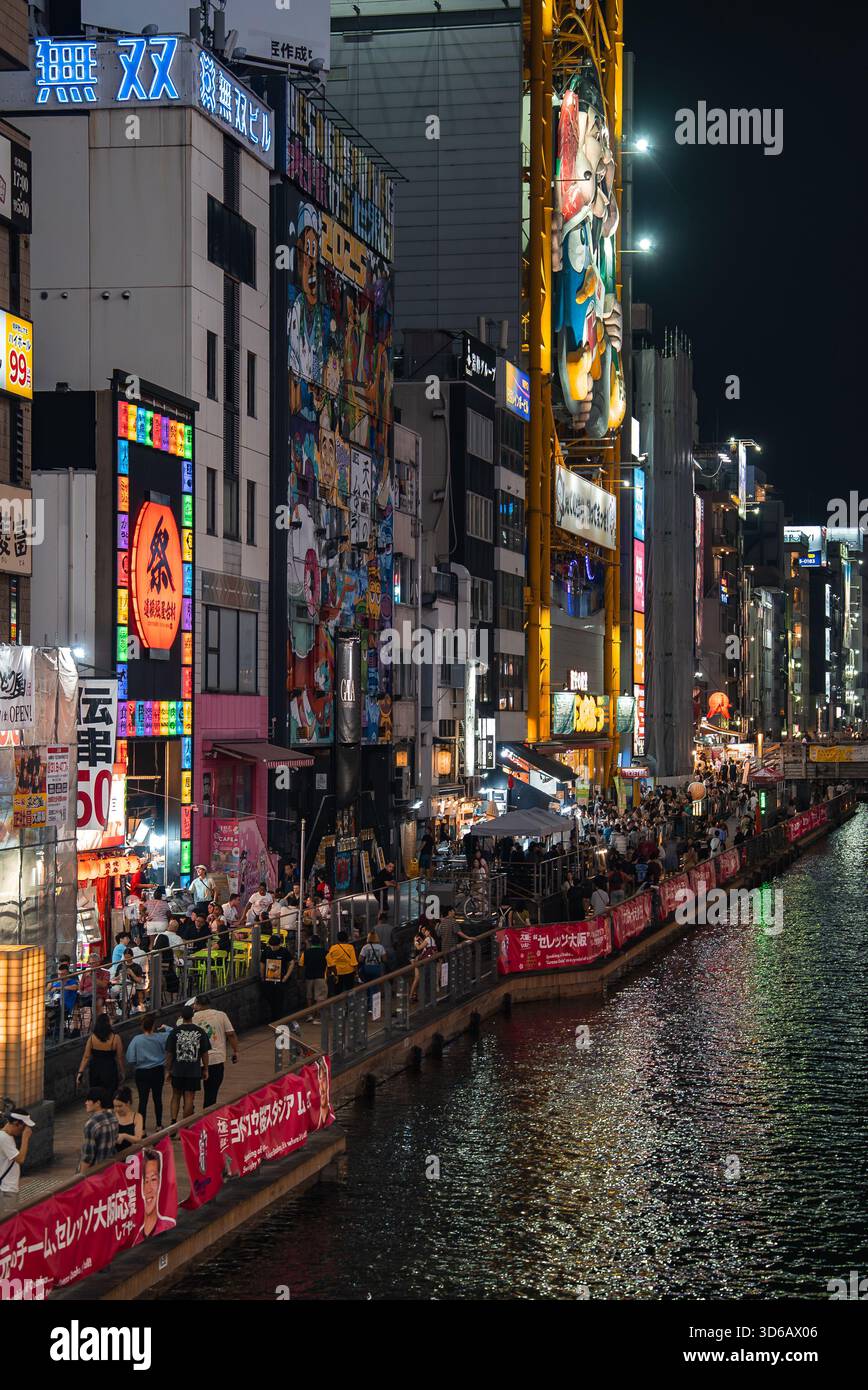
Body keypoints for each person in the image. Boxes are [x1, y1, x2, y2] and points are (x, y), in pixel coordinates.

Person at [126, 1014, 171, 1131]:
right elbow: (174, 1033)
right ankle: (159, 1124)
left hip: (141, 1072)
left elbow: (130, 1058)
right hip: (157, 1070)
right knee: (157, 1098)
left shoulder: (136, 1040)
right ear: (153, 1025)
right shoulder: (160, 1037)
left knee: (143, 1100)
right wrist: (166, 1027)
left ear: (142, 1026)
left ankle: (142, 1126)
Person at [165, 1004, 210, 1122]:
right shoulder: (200, 1032)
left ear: (181, 1016)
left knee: (176, 1095)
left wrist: (168, 1070)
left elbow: (169, 1053)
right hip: (193, 1070)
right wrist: (205, 1068)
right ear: (192, 1015)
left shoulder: (175, 1032)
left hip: (177, 1069)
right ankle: (184, 1124)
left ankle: (173, 1120)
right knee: (189, 1097)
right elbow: (205, 1052)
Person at [193, 995, 239, 1107]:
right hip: (216, 1059)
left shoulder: (192, 1017)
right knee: (211, 1093)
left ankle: (188, 1115)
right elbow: (231, 1034)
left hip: (196, 1060)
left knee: (190, 1094)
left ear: (197, 1004)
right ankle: (207, 1118)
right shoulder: (220, 1015)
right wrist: (236, 1051)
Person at [132, 1148, 177, 1244]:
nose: (148, 1189)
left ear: (161, 1181)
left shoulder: (169, 1226)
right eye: (145, 1181)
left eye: (153, 1179)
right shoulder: (133, 1238)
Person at [77, 1013, 123, 1094]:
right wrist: (122, 1071)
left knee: (96, 1095)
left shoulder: (92, 1038)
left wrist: (80, 1072)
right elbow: (119, 1058)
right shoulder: (116, 1038)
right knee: (110, 1095)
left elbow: (86, 1057)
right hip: (110, 1069)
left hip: (95, 1069)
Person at [0, 1107, 34, 1215]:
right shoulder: (3, 1138)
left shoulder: (7, 1137)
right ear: (16, 1123)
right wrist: (25, 1138)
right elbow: (20, 1159)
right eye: (24, 1127)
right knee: (8, 1225)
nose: (24, 1130)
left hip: (7, 1189)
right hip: (6, 1191)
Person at [80, 1089, 120, 1172]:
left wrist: (80, 1176)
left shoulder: (91, 1124)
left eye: (88, 1100)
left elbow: (88, 1157)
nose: (86, 1103)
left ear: (98, 1103)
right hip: (110, 1167)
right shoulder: (113, 1117)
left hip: (95, 1171)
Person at [260, 931, 295, 1020]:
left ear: (279, 944)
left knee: (279, 999)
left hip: (280, 979)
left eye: (275, 946)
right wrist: (262, 975)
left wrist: (286, 976)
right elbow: (262, 962)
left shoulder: (284, 951)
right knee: (269, 997)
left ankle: (278, 1017)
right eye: (271, 945)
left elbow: (291, 962)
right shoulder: (267, 950)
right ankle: (273, 1016)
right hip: (268, 979)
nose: (273, 947)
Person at [300, 931, 328, 1007]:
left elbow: (301, 965)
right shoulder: (325, 952)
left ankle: (310, 1014)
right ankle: (318, 1014)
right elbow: (331, 965)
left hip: (309, 977)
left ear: (311, 943)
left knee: (309, 996)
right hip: (321, 976)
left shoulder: (305, 953)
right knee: (320, 997)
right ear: (319, 943)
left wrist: (302, 978)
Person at [358, 931, 387, 1002]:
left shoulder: (365, 947)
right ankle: (375, 1004)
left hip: (367, 968)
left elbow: (360, 959)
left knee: (367, 986)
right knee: (376, 986)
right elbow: (385, 959)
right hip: (376, 968)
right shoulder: (380, 947)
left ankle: (368, 1004)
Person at [113, 1086, 145, 1151]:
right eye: (115, 1106)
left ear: (128, 1103)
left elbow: (138, 1138)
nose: (117, 1109)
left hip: (131, 1154)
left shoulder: (137, 1117)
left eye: (120, 1106)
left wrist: (124, 1136)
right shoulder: (112, 1115)